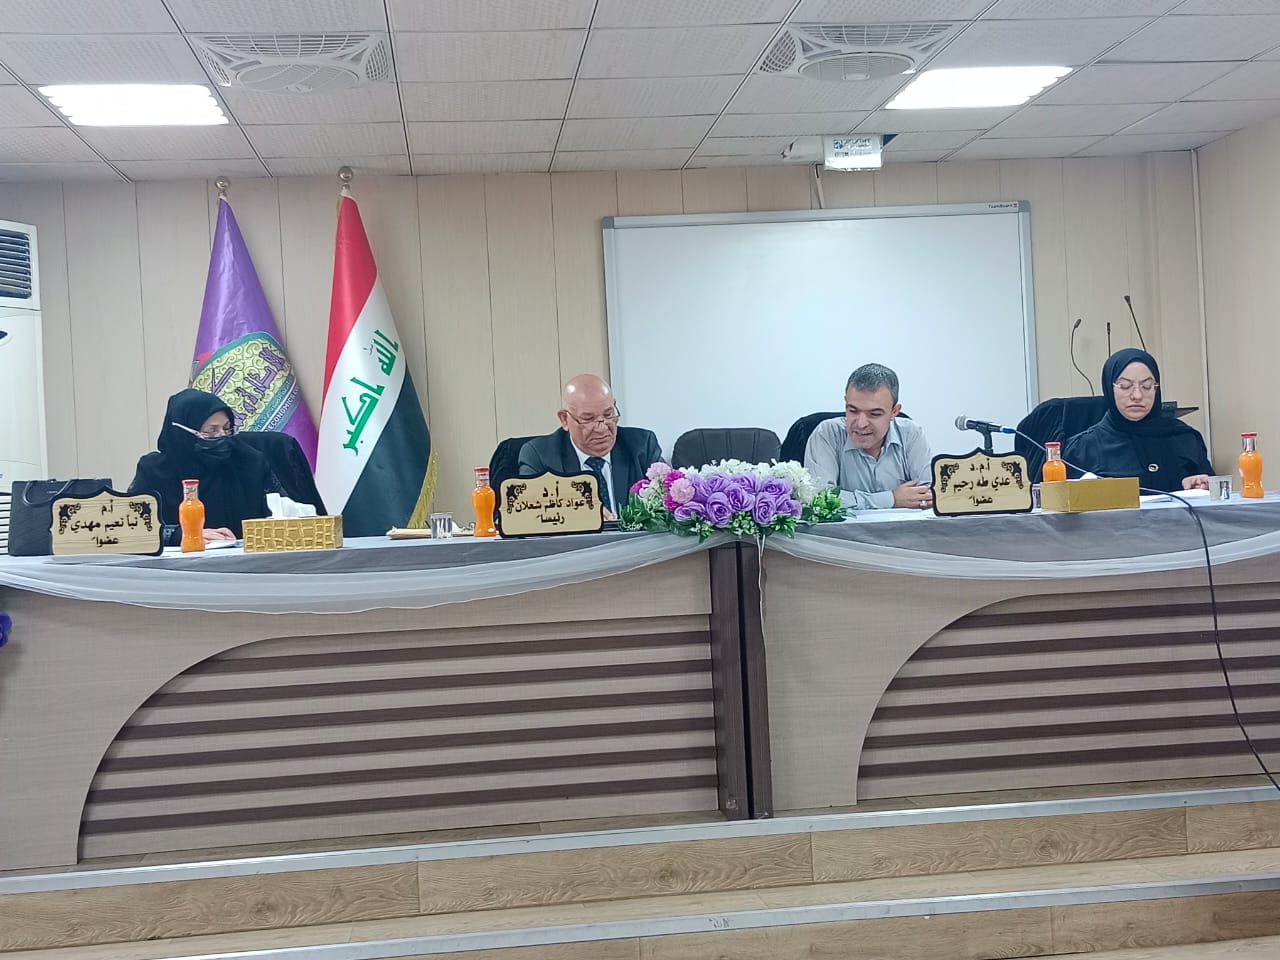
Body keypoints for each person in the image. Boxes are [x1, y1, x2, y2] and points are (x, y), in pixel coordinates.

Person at [128, 389, 279, 543]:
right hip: (179, 557)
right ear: (182, 434)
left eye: (227, 428)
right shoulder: (153, 471)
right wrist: (180, 535)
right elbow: (130, 527)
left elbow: (283, 514)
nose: (222, 436)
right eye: (211, 430)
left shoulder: (250, 462)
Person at [1064, 348, 1212, 493]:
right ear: (1109, 388)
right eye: (1125, 386)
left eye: (1147, 386)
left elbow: (1213, 497)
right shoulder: (1083, 449)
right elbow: (1065, 504)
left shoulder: (1185, 437)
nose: (1137, 395)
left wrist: (1199, 486)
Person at [518, 374, 662, 518]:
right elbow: (530, 514)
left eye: (608, 415)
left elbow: (667, 502)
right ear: (565, 419)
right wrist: (581, 513)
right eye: (588, 419)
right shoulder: (539, 455)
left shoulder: (642, 446)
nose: (602, 428)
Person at [804, 363, 934, 510]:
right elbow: (820, 499)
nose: (861, 424)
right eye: (853, 411)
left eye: (874, 414)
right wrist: (891, 499)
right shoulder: (827, 434)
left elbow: (930, 493)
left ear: (894, 412)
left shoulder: (911, 433)